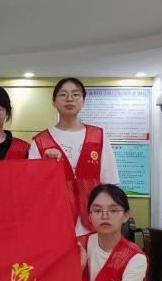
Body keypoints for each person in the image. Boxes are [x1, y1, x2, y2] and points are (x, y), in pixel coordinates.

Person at [29, 77, 119, 235]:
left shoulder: (98, 136)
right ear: (54, 102)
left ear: (83, 101)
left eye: (75, 94)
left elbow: (110, 184)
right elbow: (33, 188)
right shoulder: (41, 142)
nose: (69, 99)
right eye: (63, 94)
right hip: (56, 222)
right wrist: (45, 166)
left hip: (94, 222)